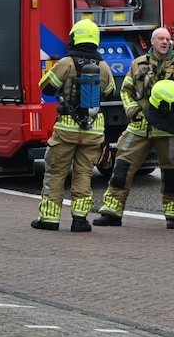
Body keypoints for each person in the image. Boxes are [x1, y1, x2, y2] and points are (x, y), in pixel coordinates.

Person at [93, 27, 174, 229]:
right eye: (161, 39)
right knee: (122, 166)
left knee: (171, 173)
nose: (165, 42)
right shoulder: (137, 64)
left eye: (168, 39)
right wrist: (133, 111)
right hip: (140, 126)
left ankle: (173, 216)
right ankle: (112, 212)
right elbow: (126, 91)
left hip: (166, 129)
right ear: (152, 41)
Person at [32, 18, 116, 232]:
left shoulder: (66, 63)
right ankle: (80, 220)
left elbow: (47, 88)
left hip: (67, 130)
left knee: (56, 173)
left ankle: (49, 219)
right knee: (84, 175)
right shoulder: (104, 66)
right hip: (93, 131)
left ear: (74, 38)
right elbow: (109, 93)